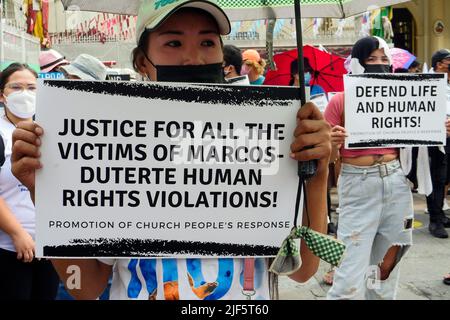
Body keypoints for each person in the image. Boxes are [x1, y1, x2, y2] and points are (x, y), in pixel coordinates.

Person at [11, 0, 331, 300]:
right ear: (141, 61)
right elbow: (85, 287)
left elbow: (304, 270)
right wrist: (44, 193)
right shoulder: (111, 148)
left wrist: (317, 172)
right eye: (174, 43)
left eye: (208, 42)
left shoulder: (264, 139)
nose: (194, 59)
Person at [324, 36, 414, 300]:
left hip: (396, 182)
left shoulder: (401, 98)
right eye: (371, 59)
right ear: (356, 63)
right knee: (349, 272)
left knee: (386, 268)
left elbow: (416, 136)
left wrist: (438, 130)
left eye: (384, 59)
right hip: (358, 184)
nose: (379, 64)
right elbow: (326, 157)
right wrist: (332, 142)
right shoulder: (339, 101)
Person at [0, 63, 59, 299]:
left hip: (48, 248)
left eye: (32, 88)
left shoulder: (53, 129)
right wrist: (18, 234)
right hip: (8, 248)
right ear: (2, 95)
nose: (25, 94)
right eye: (16, 87)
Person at [426, 49, 450, 239]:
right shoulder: (428, 82)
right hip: (435, 138)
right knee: (437, 178)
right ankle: (435, 220)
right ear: (439, 64)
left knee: (446, 177)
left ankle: (441, 214)